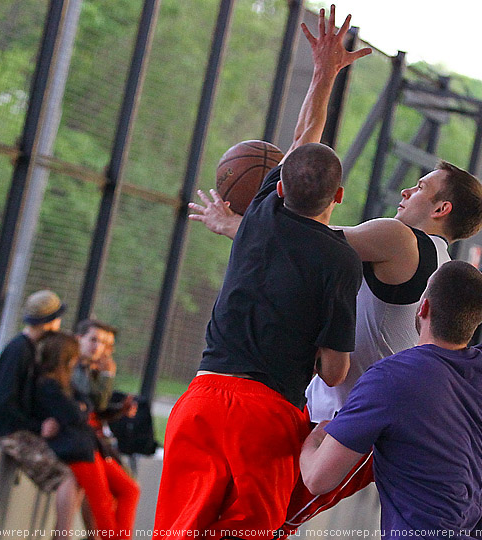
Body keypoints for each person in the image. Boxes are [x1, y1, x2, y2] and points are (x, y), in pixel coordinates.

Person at [189, 6, 482, 532]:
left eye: (421, 187)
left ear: (441, 209)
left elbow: (296, 240)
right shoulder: (434, 260)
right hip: (330, 414)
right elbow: (301, 231)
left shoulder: (400, 239)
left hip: (350, 428)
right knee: (236, 518)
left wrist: (236, 224)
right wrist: (323, 80)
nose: (407, 189)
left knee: (253, 524)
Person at [153, 9, 369, 535]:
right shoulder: (341, 256)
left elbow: (305, 131)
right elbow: (336, 371)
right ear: (338, 197)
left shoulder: (259, 216)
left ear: (274, 187)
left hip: (200, 400)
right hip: (266, 415)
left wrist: (323, 71)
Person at [299, 257, 482, 538]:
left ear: (424, 307)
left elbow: (317, 478)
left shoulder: (388, 378)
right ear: (473, 321)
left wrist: (315, 436)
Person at [0, 290, 80, 534]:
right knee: (66, 477)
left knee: (76, 473)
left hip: (19, 428)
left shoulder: (29, 349)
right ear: (50, 321)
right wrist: (38, 427)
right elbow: (3, 403)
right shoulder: (19, 351)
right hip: (8, 432)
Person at [34, 331, 139, 540]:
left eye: (106, 344)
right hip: (78, 447)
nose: (99, 348)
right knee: (101, 503)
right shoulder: (53, 382)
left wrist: (85, 407)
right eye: (94, 340)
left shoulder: (74, 378)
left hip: (91, 444)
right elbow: (79, 412)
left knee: (129, 490)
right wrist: (82, 408)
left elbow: (89, 407)